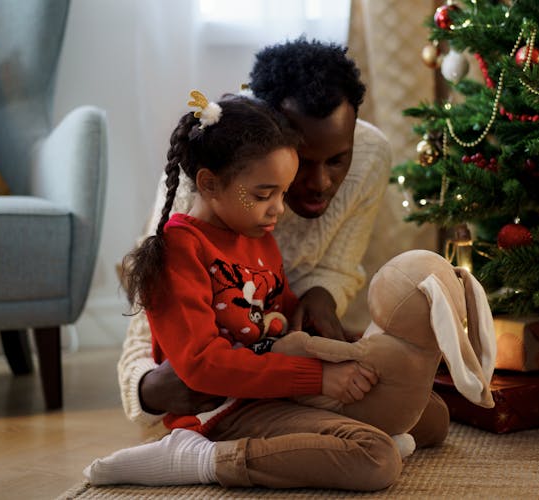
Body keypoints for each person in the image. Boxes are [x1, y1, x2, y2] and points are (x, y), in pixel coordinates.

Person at [118, 38, 449, 449]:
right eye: (302, 161)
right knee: (366, 448)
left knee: (429, 418)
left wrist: (322, 301)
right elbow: (154, 308)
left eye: (337, 160)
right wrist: (146, 389)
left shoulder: (364, 160)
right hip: (227, 380)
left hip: (275, 349)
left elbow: (329, 273)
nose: (321, 183)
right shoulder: (210, 175)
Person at [84, 91, 403, 490]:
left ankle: (322, 441)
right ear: (209, 184)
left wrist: (351, 354)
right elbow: (202, 365)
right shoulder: (180, 249)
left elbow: (284, 325)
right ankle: (200, 460)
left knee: (427, 418)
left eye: (282, 193)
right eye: (263, 195)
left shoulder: (256, 236)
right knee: (375, 457)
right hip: (222, 410)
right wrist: (316, 379)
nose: (278, 210)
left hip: (270, 391)